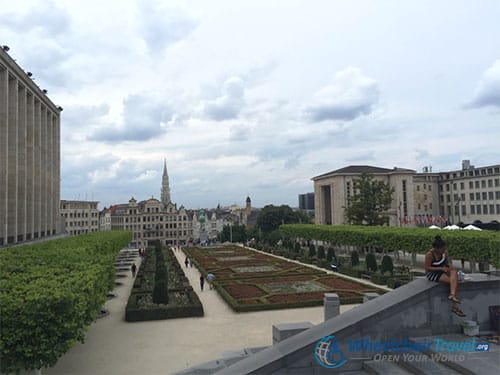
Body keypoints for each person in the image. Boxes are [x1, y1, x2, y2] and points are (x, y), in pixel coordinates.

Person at [425, 235, 465, 317]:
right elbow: (427, 267)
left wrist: (449, 266)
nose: (444, 250)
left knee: (454, 272)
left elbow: (446, 263)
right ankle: (455, 306)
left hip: (443, 269)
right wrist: (441, 268)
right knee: (453, 281)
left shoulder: (444, 253)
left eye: (445, 249)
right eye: (442, 249)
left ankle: (452, 295)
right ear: (436, 248)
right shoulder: (429, 255)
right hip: (433, 273)